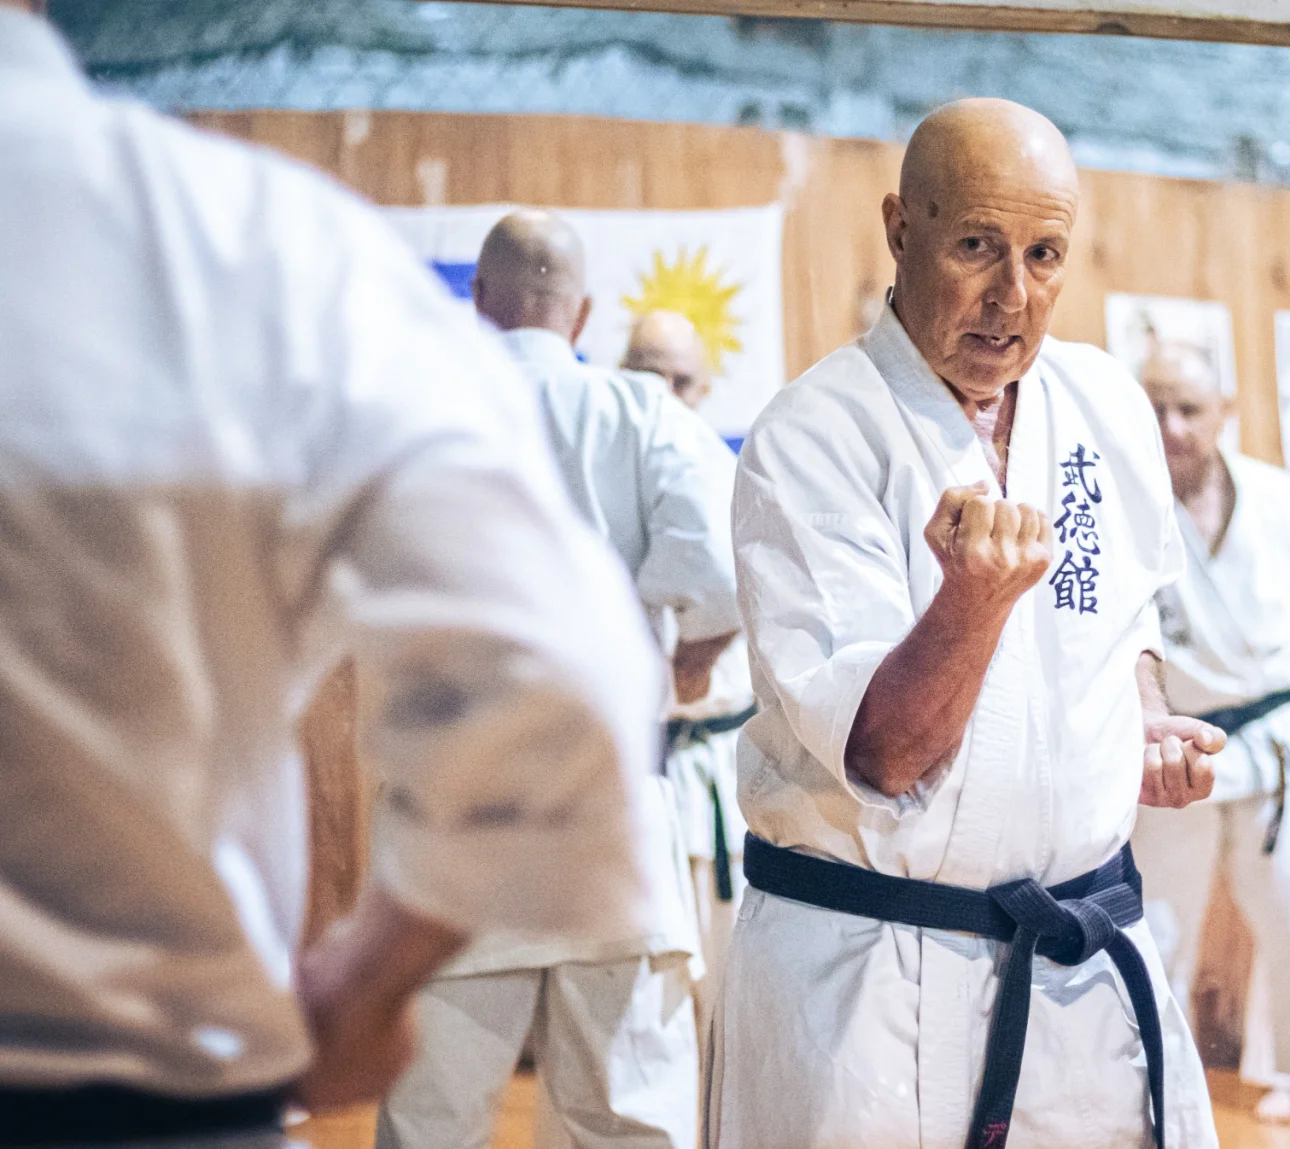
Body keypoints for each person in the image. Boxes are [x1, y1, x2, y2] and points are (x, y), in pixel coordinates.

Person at [0, 7, 663, 1145]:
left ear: (491, 298)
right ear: (582, 312)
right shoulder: (246, 243)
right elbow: (571, 658)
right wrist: (369, 978)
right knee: (611, 1110)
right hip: (142, 1086)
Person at [707, 97, 1228, 1149]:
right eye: (977, 246)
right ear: (901, 230)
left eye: (1045, 255)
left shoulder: (1103, 403)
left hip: (1079, 975)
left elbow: (1118, 626)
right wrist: (971, 603)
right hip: (870, 980)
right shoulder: (815, 436)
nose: (1012, 297)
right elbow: (888, 754)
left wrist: (1145, 722)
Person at [376, 213, 740, 1149]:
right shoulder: (643, 414)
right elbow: (727, 564)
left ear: (480, 302)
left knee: (431, 1124)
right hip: (608, 808)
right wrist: (688, 653)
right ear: (579, 315)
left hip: (460, 813)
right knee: (628, 1125)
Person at [1129, 342, 1290, 1138]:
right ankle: (1155, 1118)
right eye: (1154, 407)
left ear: (1226, 412)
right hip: (1174, 750)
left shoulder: (1282, 502)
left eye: (1188, 408)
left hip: (1275, 746)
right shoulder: (1127, 506)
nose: (1170, 426)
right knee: (1157, 939)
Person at [623, 311, 755, 1027]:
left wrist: (693, 661)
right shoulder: (595, 477)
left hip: (717, 768)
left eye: (679, 380)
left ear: (704, 390)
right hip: (635, 774)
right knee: (643, 1011)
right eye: (645, 374)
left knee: (728, 1003)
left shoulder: (734, 476)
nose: (663, 394)